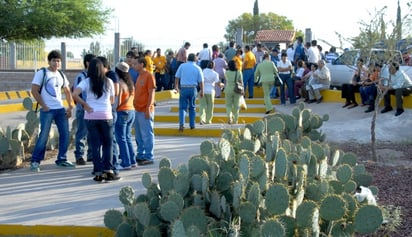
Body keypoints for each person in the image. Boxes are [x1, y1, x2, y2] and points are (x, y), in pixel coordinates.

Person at [72, 58, 118, 182]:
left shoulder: (86, 82)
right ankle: (108, 170)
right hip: (105, 116)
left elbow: (74, 94)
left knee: (95, 145)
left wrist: (84, 104)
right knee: (108, 144)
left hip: (90, 116)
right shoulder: (109, 81)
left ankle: (98, 172)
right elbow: (112, 100)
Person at [30, 50, 75, 172]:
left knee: (65, 134)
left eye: (59, 60)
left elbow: (67, 91)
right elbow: (34, 90)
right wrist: (44, 106)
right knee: (43, 136)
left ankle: (62, 159)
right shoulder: (42, 73)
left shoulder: (61, 74)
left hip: (60, 109)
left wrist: (70, 107)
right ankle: (35, 161)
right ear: (49, 61)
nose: (56, 63)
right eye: (54, 60)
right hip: (47, 110)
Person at [97, 56, 121, 176]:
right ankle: (105, 165)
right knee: (105, 141)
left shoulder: (111, 75)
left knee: (111, 140)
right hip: (104, 111)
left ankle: (114, 166)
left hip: (110, 110)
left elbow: (115, 92)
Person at [72, 53, 95, 165]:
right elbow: (77, 93)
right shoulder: (81, 77)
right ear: (88, 63)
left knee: (92, 133)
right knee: (82, 133)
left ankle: (91, 155)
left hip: (92, 110)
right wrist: (84, 105)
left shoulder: (94, 76)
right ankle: (79, 155)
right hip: (83, 109)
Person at [133, 57, 156, 165]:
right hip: (137, 110)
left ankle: (149, 156)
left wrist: (148, 107)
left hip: (145, 110)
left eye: (136, 64)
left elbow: (151, 93)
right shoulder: (139, 76)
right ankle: (140, 154)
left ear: (142, 64)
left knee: (147, 134)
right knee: (139, 135)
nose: (134, 66)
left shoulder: (149, 76)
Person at [114, 62, 136, 170]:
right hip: (131, 111)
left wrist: (113, 110)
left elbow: (117, 101)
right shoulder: (130, 83)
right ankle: (132, 160)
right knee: (127, 138)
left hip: (122, 112)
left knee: (121, 138)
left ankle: (125, 162)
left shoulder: (120, 83)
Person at [174, 53, 204, 131]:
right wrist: (202, 91)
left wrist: (176, 87)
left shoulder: (182, 66)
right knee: (192, 107)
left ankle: (182, 124)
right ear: (195, 59)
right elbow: (201, 81)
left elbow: (177, 77)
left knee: (182, 108)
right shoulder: (198, 68)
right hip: (193, 88)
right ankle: (192, 125)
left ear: (188, 59)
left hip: (183, 88)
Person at [225, 60, 243, 124]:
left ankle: (229, 117)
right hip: (237, 90)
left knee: (228, 105)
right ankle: (235, 120)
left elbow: (226, 80)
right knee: (236, 105)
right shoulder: (239, 72)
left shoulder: (226, 72)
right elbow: (241, 82)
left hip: (228, 89)